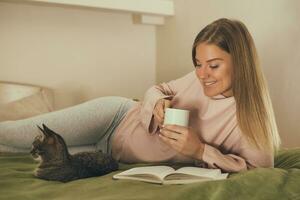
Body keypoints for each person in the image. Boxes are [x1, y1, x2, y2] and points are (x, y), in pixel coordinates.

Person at [0, 18, 281, 173]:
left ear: (240, 62)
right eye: (198, 63)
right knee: (15, 136)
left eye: (214, 65)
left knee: (25, 154)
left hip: (108, 156)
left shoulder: (250, 118)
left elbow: (258, 171)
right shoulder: (196, 81)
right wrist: (157, 102)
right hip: (115, 118)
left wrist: (199, 151)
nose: (202, 74)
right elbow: (157, 88)